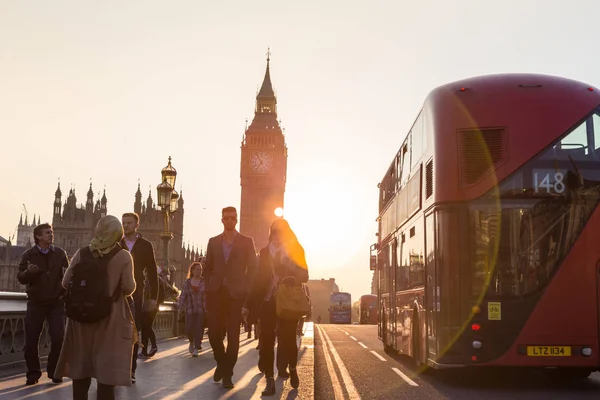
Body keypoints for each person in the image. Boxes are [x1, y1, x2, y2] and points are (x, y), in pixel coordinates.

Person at [54, 215, 136, 400]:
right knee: (106, 372)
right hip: (109, 318)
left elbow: (66, 282)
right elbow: (129, 288)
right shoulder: (123, 256)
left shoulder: (81, 253)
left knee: (81, 368)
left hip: (80, 318)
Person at [243, 218, 309, 396]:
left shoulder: (296, 250)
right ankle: (270, 380)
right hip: (268, 302)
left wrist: (291, 269)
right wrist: (247, 305)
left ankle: (293, 368)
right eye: (274, 232)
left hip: (287, 303)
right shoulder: (265, 253)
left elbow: (305, 275)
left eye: (281, 232)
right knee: (266, 340)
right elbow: (257, 281)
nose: (277, 235)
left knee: (288, 340)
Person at [204, 206, 257, 389]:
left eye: (232, 218)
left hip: (236, 295)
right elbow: (207, 269)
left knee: (234, 337)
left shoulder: (247, 242)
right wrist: (208, 289)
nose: (229, 221)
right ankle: (222, 362)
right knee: (212, 334)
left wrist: (247, 291)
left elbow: (253, 270)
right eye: (226, 218)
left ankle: (228, 374)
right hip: (216, 294)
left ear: (236, 220)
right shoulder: (213, 242)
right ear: (221, 220)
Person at [16, 223, 69, 385]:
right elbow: (21, 277)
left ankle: (54, 371)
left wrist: (64, 294)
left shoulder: (60, 253)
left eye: (52, 232)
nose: (51, 235)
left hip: (56, 303)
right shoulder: (28, 254)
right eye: (47, 233)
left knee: (58, 338)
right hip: (36, 302)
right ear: (38, 236)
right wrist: (28, 272)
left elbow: (68, 276)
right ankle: (33, 373)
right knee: (31, 340)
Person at [120, 212, 158, 383]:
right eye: (123, 222)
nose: (125, 225)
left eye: (129, 222)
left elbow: (152, 272)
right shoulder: (116, 243)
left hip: (136, 293)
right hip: (116, 293)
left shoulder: (145, 245)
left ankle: (131, 369)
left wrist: (153, 298)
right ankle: (118, 368)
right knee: (116, 331)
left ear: (137, 225)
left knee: (133, 331)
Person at [178, 261, 207, 357]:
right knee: (189, 328)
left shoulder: (204, 282)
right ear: (193, 270)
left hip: (200, 310)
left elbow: (206, 296)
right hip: (189, 309)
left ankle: (196, 348)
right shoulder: (187, 282)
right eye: (197, 269)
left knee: (199, 329)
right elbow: (183, 295)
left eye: (200, 270)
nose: (199, 271)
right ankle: (191, 341)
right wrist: (180, 306)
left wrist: (207, 309)